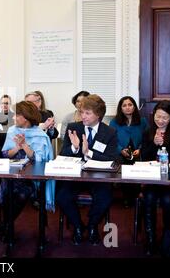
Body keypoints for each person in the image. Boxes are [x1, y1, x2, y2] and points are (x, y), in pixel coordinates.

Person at [56, 94, 118, 245]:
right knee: (62, 197)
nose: (83, 116)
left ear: (98, 115)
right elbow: (63, 154)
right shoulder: (74, 128)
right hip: (75, 175)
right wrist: (74, 147)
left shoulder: (109, 132)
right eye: (82, 112)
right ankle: (78, 226)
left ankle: (92, 225)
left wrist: (88, 152)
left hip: (98, 177)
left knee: (105, 198)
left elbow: (112, 158)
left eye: (87, 113)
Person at [0, 101, 54, 241]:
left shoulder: (40, 135)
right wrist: (17, 148)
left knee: (22, 192)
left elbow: (39, 160)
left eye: (17, 115)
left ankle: (6, 225)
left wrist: (24, 145)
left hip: (32, 177)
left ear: (26, 118)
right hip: (12, 173)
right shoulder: (12, 130)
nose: (14, 117)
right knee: (8, 190)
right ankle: (7, 225)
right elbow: (5, 154)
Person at [140, 100, 170, 255]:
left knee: (168, 200)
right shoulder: (148, 132)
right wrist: (154, 143)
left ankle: (168, 239)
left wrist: (164, 147)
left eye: (164, 118)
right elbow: (143, 159)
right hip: (152, 180)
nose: (160, 121)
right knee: (149, 198)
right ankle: (151, 240)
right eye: (158, 117)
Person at [109, 96, 148, 207]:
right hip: (120, 153)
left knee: (136, 165)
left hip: (137, 152)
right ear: (120, 108)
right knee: (124, 165)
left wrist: (140, 149)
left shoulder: (142, 121)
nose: (127, 107)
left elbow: (147, 138)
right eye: (124, 105)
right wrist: (121, 150)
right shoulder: (114, 122)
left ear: (134, 107)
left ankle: (135, 196)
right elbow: (111, 140)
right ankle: (127, 197)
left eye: (130, 105)